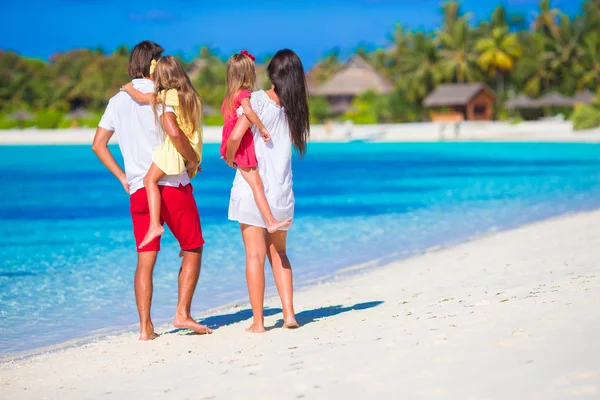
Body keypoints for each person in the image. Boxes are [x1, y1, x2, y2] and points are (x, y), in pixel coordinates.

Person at [92, 41, 211, 340]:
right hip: (171, 183)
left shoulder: (117, 101)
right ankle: (182, 313)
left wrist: (122, 177)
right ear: (155, 64)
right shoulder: (165, 95)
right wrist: (192, 159)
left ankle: (146, 328)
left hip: (138, 189)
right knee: (193, 247)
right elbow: (175, 131)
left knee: (145, 257)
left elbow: (98, 144)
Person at [225, 49, 310, 333]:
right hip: (283, 192)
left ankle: (259, 323)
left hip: (254, 188)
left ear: (272, 73)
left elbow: (236, 134)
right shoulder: (297, 109)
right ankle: (288, 314)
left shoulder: (258, 100)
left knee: (254, 257)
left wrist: (230, 155)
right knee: (280, 254)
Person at [120, 55, 203, 249]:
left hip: (172, 149)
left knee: (149, 180)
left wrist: (128, 88)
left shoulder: (166, 96)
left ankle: (155, 225)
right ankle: (182, 241)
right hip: (190, 145)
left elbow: (141, 98)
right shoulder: (191, 96)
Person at [221, 50, 292, 234]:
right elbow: (248, 114)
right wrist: (261, 127)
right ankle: (270, 221)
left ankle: (269, 221)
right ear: (249, 73)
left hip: (232, 144)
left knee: (254, 184)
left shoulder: (229, 96)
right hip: (242, 147)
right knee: (257, 185)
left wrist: (228, 153)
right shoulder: (245, 95)